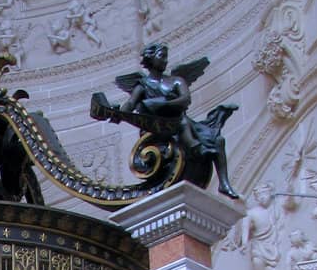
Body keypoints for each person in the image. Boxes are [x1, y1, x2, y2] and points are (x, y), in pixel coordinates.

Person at [99, 42, 240, 198]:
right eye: (162, 56)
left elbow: (185, 99)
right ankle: (195, 146)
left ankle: (224, 183)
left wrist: (161, 104)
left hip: (180, 122)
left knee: (218, 140)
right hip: (157, 127)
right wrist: (117, 114)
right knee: (182, 122)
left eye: (166, 56)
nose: (165, 60)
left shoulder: (176, 80)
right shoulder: (143, 85)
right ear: (150, 59)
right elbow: (131, 104)